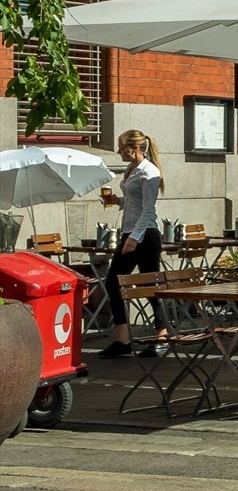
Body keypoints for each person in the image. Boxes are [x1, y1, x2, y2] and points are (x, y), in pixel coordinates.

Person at [98, 129, 166, 359]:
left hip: (145, 235)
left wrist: (134, 238)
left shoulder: (149, 172)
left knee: (151, 284)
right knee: (114, 283)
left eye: (121, 148)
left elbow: (149, 209)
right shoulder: (131, 170)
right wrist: (118, 200)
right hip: (132, 232)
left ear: (134, 148)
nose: (119, 152)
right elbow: (135, 202)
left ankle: (162, 335)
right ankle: (122, 338)